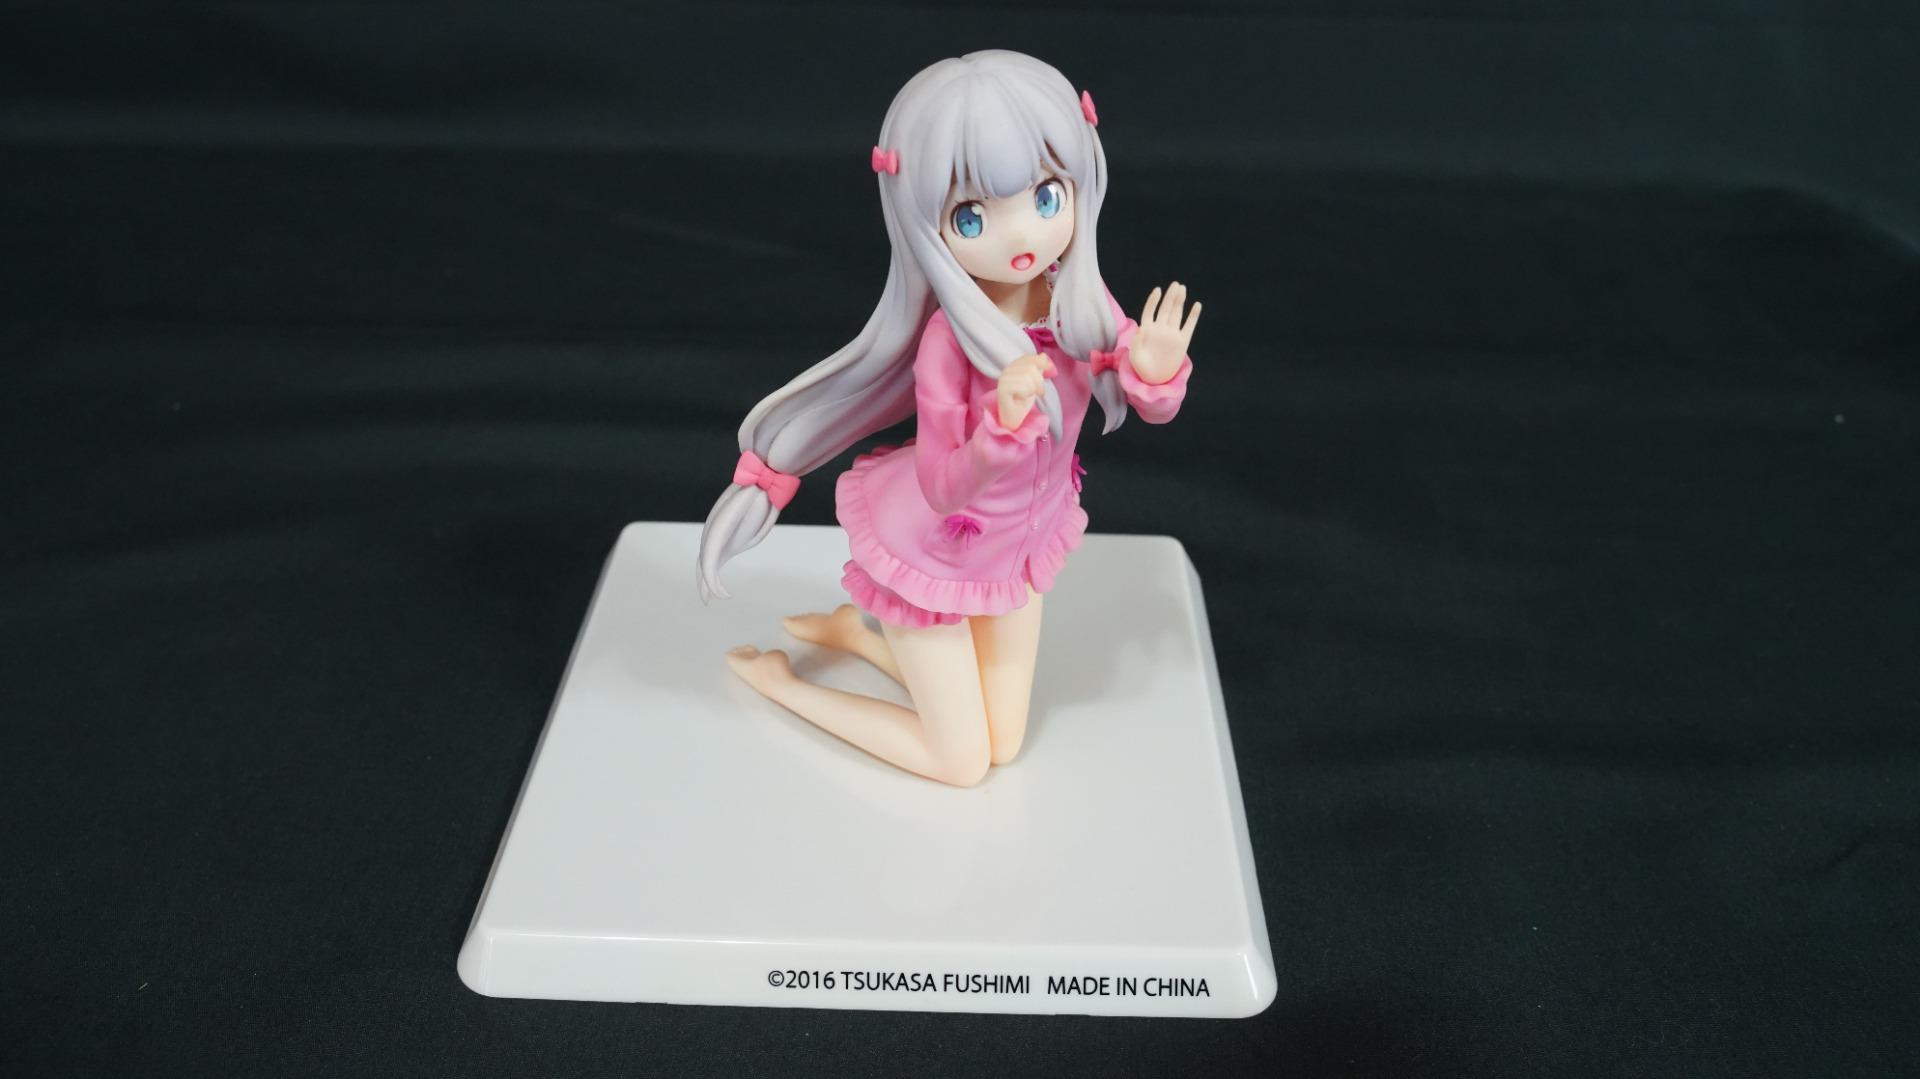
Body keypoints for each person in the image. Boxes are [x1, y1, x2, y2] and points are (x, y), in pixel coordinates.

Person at [696, 49, 1203, 787]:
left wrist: (1153, 373)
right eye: (972, 216)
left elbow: (1144, 394)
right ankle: (784, 683)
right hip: (932, 558)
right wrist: (1001, 425)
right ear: (925, 225)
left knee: (1006, 744)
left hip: (1017, 551)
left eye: (1046, 197)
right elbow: (940, 484)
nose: (1020, 235)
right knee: (962, 763)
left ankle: (860, 639)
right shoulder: (948, 344)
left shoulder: (1078, 307)